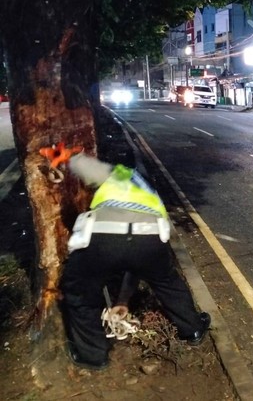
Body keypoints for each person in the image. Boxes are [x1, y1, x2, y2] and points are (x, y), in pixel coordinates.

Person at [60, 153, 211, 370]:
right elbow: (134, 266)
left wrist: (65, 159)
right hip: (149, 238)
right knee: (168, 282)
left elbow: (81, 166)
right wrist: (122, 300)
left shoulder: (111, 175)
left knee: (79, 291)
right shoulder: (146, 186)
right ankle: (193, 329)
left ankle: (93, 355)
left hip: (104, 236)